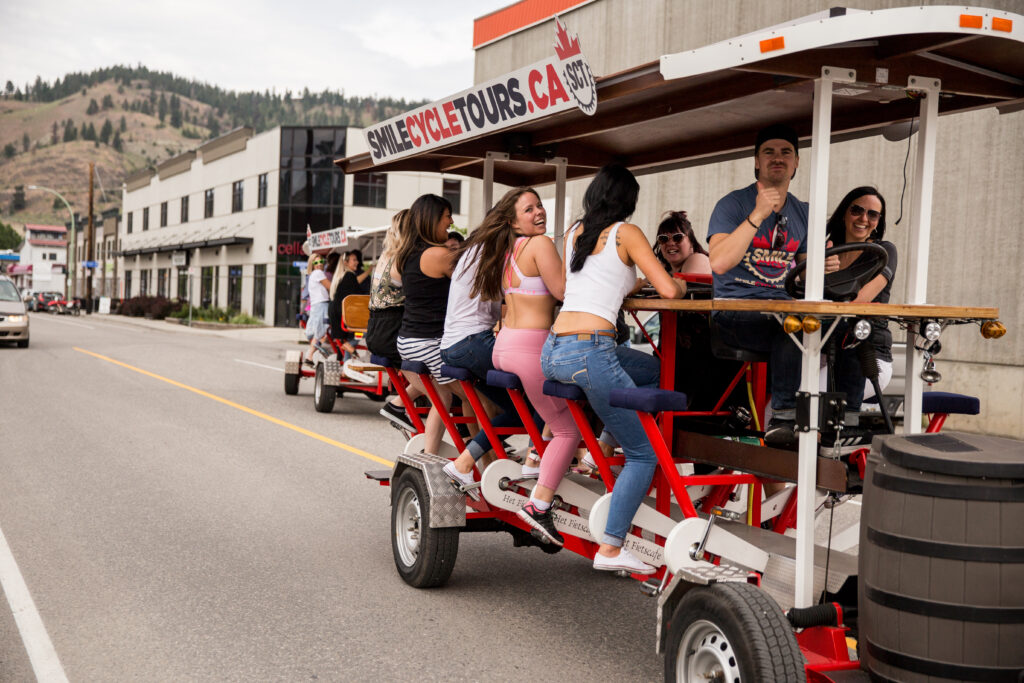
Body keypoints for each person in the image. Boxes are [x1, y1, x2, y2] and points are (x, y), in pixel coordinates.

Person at [541, 164, 684, 573]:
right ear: (628, 201)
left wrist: (630, 284)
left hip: (554, 351)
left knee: (654, 371)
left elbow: (583, 287)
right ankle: (610, 546)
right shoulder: (627, 233)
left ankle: (605, 441)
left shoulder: (573, 234)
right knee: (643, 455)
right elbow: (671, 289)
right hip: (591, 353)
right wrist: (682, 285)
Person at [707, 124, 839, 446]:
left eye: (785, 152)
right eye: (769, 152)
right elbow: (719, 262)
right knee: (791, 323)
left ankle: (839, 420)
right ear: (756, 162)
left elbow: (806, 276)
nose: (777, 158)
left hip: (779, 308)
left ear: (796, 163)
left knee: (841, 329)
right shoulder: (733, 204)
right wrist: (758, 214)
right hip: (734, 311)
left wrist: (827, 267)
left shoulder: (805, 212)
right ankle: (782, 417)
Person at [396, 194, 467, 457]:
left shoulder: (408, 254)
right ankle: (479, 458)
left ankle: (429, 454)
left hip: (409, 341)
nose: (451, 221)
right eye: (447, 215)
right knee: (476, 399)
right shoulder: (438, 254)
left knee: (444, 397)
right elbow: (473, 282)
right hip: (429, 342)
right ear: (432, 219)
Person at [819, 187, 897, 423]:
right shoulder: (825, 251)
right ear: (844, 213)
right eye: (857, 210)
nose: (864, 219)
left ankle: (824, 456)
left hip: (868, 356)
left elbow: (858, 302)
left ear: (878, 222)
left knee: (806, 397)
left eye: (872, 215)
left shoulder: (883, 252)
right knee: (776, 400)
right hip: (821, 348)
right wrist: (816, 267)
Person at [366, 210, 424, 433]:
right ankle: (398, 404)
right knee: (440, 379)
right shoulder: (406, 258)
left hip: (377, 329)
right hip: (393, 331)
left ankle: (400, 406)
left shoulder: (387, 255)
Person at [328, 248, 370, 356]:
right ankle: (350, 358)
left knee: (348, 341)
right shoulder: (349, 276)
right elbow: (357, 298)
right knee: (367, 333)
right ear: (346, 262)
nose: (357, 262)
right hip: (343, 316)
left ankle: (347, 356)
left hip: (336, 315)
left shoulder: (340, 276)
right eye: (354, 260)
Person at [653, 210, 711, 276]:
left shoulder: (698, 259)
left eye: (677, 237)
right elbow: (641, 284)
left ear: (691, 243)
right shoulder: (665, 269)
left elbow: (684, 285)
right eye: (664, 238)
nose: (670, 243)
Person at [303, 253, 332, 366]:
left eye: (321, 262)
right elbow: (330, 286)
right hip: (321, 304)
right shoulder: (318, 273)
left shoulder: (311, 275)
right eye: (316, 262)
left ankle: (316, 351)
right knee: (321, 330)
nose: (319, 264)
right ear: (312, 264)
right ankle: (310, 356)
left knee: (316, 331)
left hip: (315, 305)